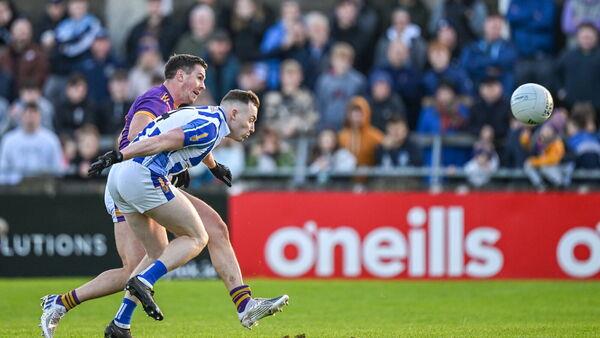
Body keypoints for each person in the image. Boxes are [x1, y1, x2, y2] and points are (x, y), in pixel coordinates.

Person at [40, 55, 287, 338]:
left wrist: (213, 166)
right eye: (198, 78)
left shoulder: (185, 108)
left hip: (134, 178)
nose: (201, 86)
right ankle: (242, 305)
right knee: (191, 240)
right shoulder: (156, 101)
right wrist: (121, 156)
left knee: (157, 256)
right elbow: (144, 138)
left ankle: (106, 318)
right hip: (137, 176)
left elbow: (188, 137)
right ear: (179, 76)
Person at [0, 102, 63, 185]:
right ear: (21, 116)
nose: (30, 117)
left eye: (34, 113)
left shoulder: (51, 140)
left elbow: (57, 169)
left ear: (40, 116)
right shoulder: (9, 140)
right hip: (15, 189)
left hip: (43, 188)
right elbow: (3, 170)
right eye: (27, 113)